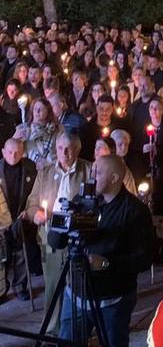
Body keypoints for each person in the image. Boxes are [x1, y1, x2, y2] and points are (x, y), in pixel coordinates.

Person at [48, 155, 154, 346]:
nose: (92, 176)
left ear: (114, 178)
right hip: (76, 295)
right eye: (92, 170)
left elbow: (145, 258)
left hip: (112, 300)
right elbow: (56, 242)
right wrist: (62, 221)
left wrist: (107, 263)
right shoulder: (81, 201)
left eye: (98, 172)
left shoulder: (134, 210)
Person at [25, 132, 93, 335]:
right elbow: (31, 203)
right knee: (53, 285)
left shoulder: (88, 170)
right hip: (50, 236)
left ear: (78, 150)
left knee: (78, 285)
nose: (64, 152)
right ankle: (51, 329)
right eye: (60, 147)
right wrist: (35, 214)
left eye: (69, 148)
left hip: (76, 237)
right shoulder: (45, 172)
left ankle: (77, 329)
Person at [0, 139, 37, 302]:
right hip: (2, 219)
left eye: (17, 152)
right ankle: (2, 288)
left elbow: (35, 192)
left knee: (22, 254)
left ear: (23, 153)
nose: (13, 155)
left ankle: (20, 286)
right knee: (2, 256)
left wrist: (28, 211)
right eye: (9, 152)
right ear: (3, 152)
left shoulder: (30, 168)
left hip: (22, 217)